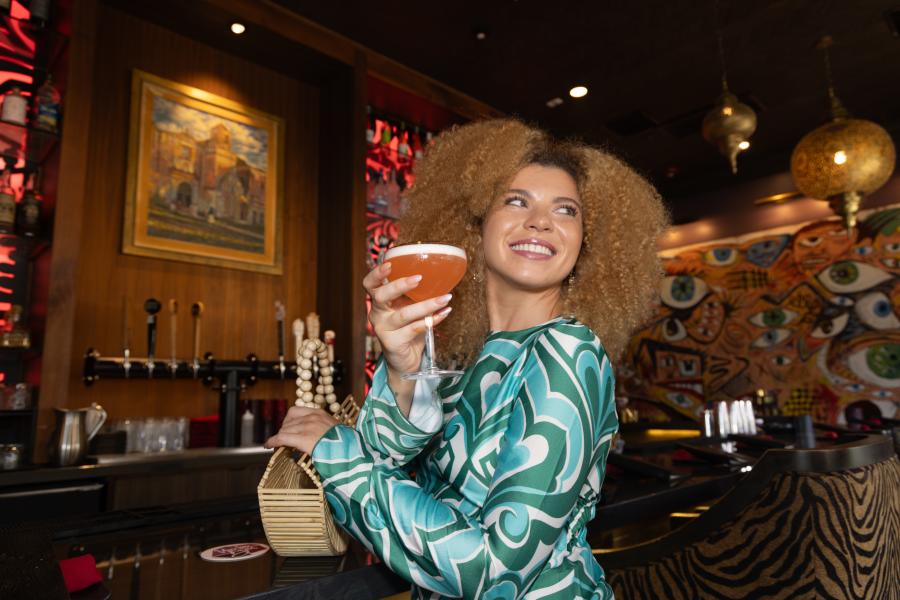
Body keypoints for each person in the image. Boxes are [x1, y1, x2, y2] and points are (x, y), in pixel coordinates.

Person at [266, 119, 668, 599]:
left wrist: (335, 450)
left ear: (585, 247)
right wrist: (401, 367)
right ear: (476, 227)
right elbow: (382, 467)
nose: (541, 221)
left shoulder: (568, 350)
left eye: (566, 210)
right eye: (517, 200)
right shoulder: (468, 355)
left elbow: (493, 571)